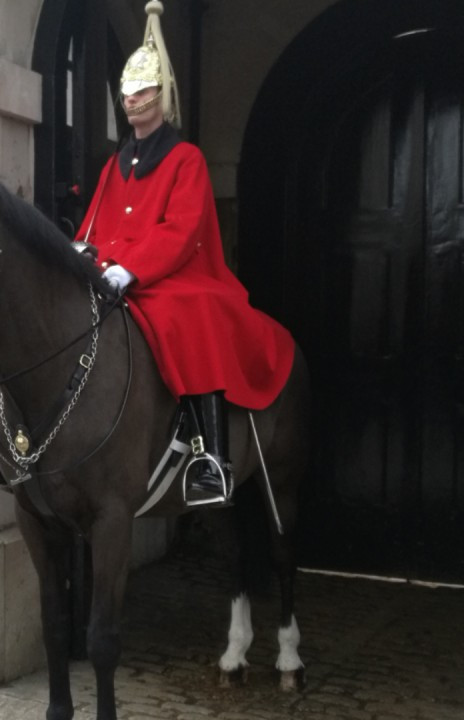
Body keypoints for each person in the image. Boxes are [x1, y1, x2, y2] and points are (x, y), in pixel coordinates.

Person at [74, 0, 295, 506]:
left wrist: (131, 270)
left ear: (162, 95)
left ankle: (211, 457)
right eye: (127, 92)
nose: (132, 100)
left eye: (142, 91)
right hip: (112, 270)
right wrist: (81, 253)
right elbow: (94, 224)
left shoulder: (186, 159)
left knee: (186, 313)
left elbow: (181, 232)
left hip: (176, 274)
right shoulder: (115, 163)